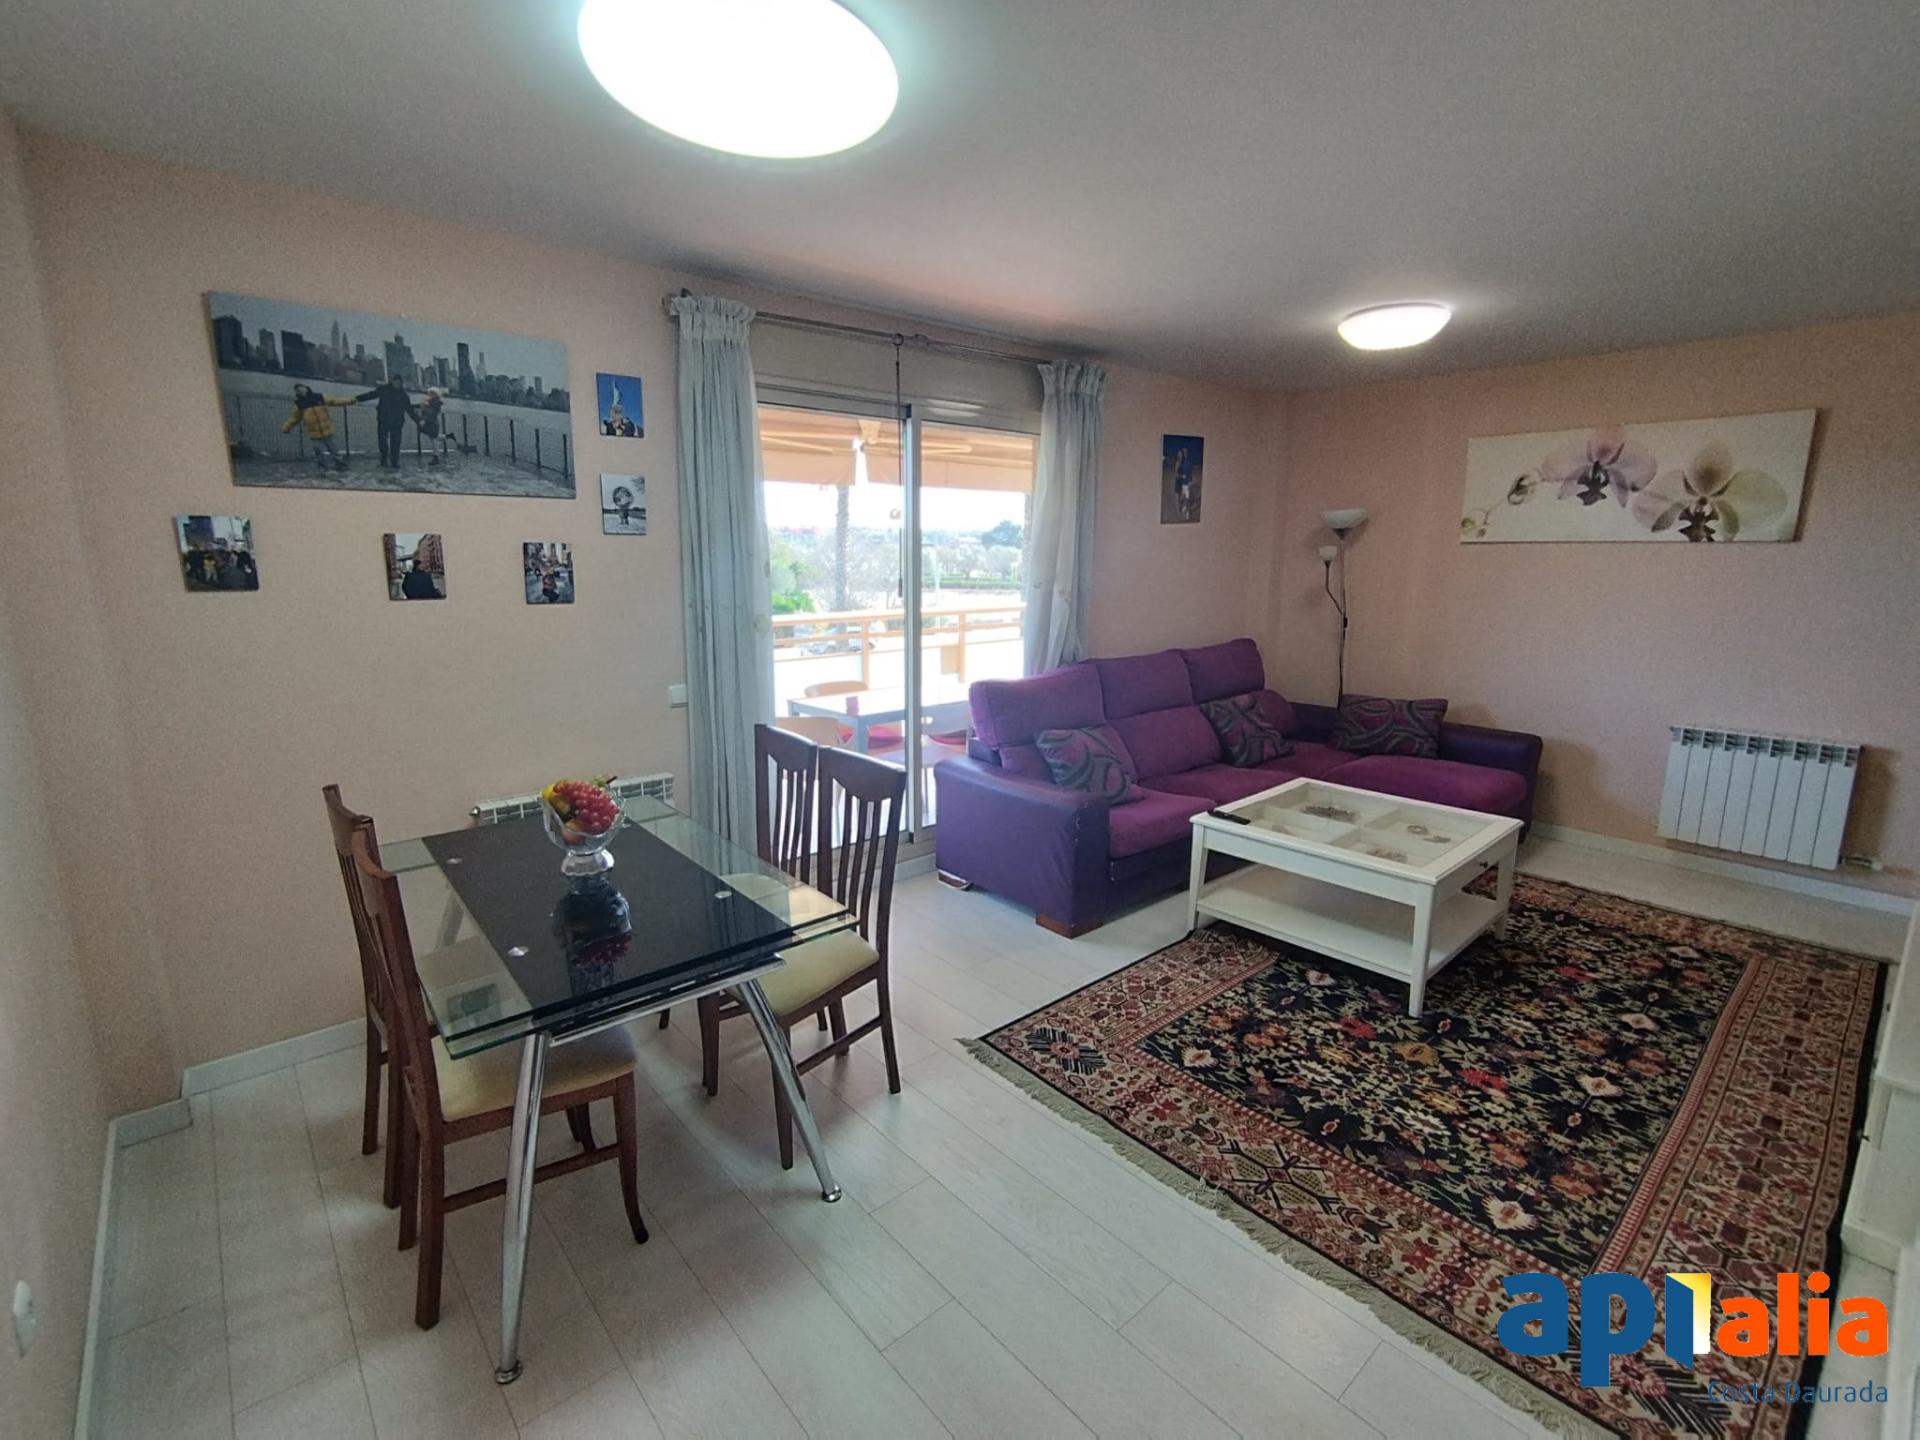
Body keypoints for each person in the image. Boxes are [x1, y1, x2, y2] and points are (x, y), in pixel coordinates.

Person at [279, 383, 355, 471]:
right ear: (297, 393)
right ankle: (322, 466)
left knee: (334, 449)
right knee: (319, 451)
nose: (300, 391)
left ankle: (340, 464)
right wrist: (286, 428)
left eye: (301, 388)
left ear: (306, 388)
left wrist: (351, 400)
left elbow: (335, 401)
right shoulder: (299, 404)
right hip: (314, 433)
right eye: (297, 390)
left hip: (327, 430)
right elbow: (293, 418)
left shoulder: (320, 397)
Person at [354, 377, 417, 470]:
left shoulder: (403, 395)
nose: (397, 384)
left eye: (399, 382)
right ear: (392, 382)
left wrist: (418, 420)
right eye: (396, 382)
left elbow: (410, 410)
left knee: (395, 443)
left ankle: (394, 462)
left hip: (396, 422)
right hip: (384, 420)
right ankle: (384, 460)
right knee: (382, 442)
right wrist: (357, 398)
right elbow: (371, 395)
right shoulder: (385, 390)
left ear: (401, 383)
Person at [414, 386, 452, 466]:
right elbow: (423, 408)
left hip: (433, 423)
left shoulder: (436, 403)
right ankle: (448, 436)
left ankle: (436, 457)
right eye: (429, 393)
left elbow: (432, 413)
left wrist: (424, 417)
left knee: (433, 439)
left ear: (435, 394)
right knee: (433, 437)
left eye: (432, 393)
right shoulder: (429, 402)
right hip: (430, 423)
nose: (430, 395)